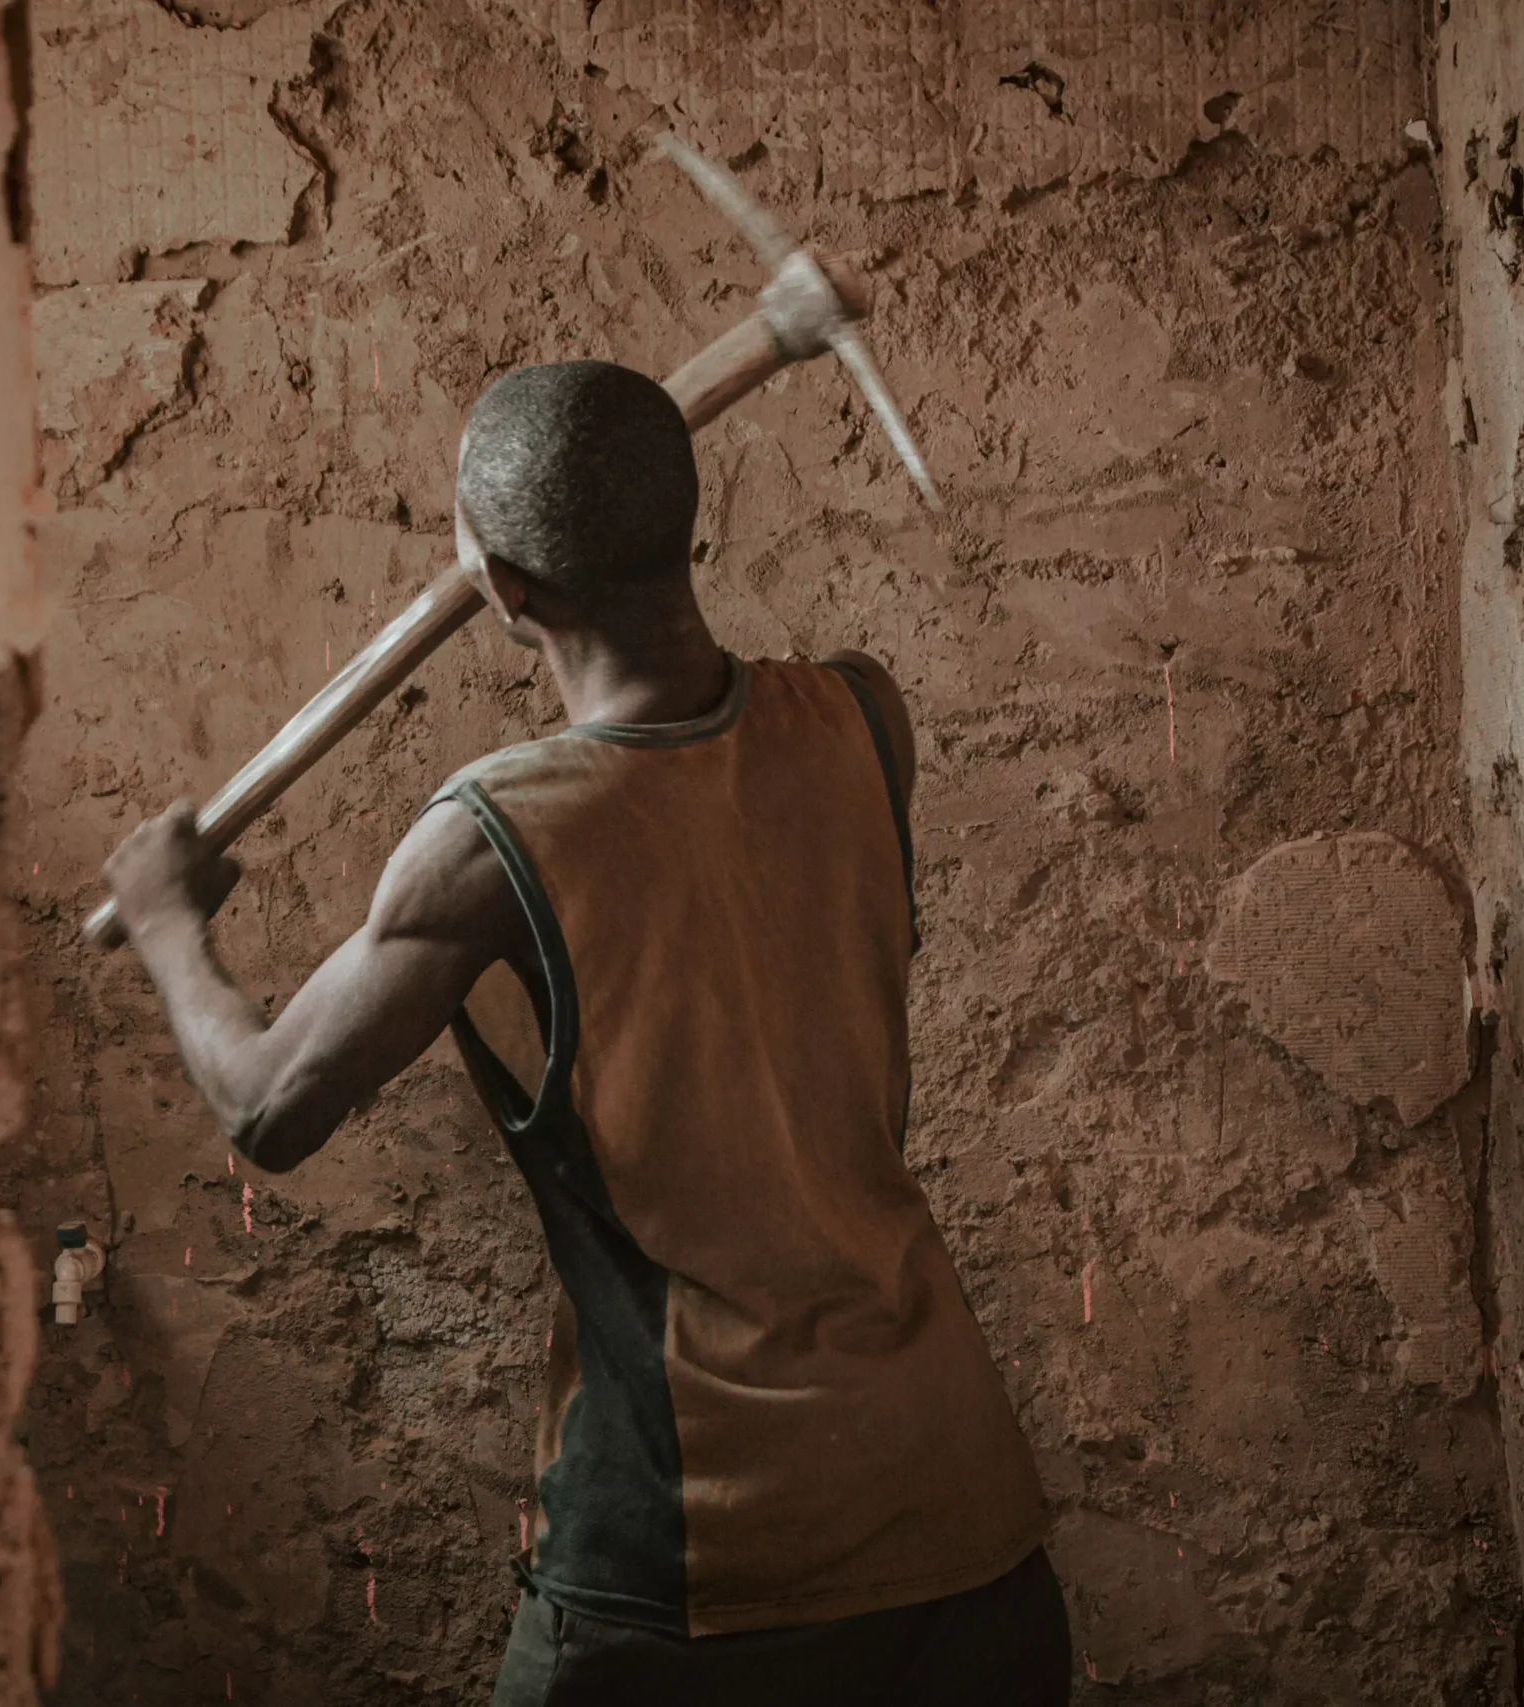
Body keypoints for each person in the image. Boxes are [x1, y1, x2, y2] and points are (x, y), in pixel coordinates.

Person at [103, 360, 1067, 1705]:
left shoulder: (494, 839)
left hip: (702, 1562)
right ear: (691, 531)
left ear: (502, 591)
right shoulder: (862, 717)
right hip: (965, 1527)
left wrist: (164, 929)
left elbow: (269, 1104)